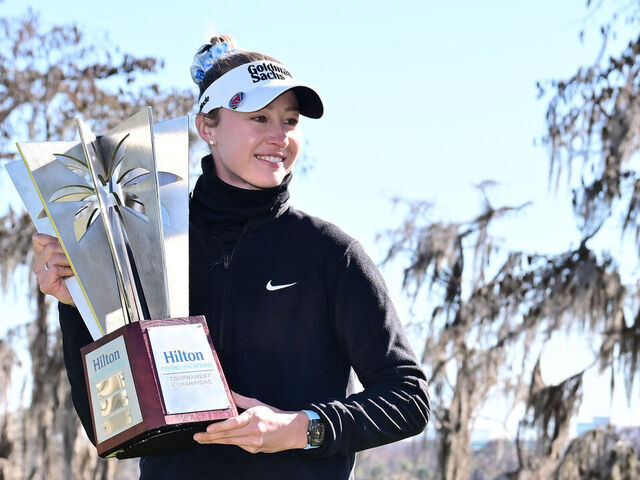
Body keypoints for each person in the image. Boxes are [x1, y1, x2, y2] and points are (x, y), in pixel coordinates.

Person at [32, 35, 430, 480]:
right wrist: (75, 304)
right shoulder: (144, 246)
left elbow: (407, 398)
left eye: (290, 121)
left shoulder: (330, 253)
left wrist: (300, 429)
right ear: (208, 127)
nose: (279, 137)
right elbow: (111, 429)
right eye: (260, 117)